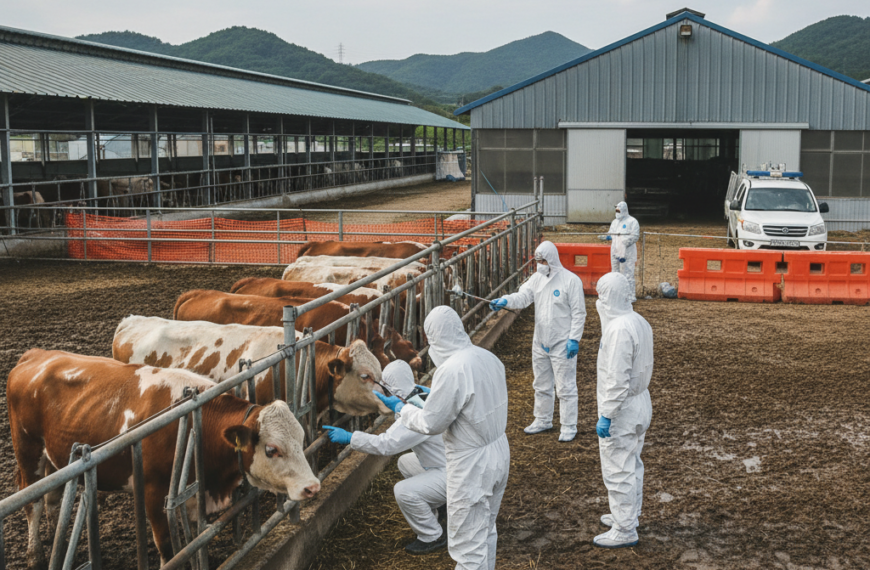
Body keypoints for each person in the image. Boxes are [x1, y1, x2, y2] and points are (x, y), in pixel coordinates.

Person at [375, 306, 509, 570]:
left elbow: (432, 423)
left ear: (434, 337)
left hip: (471, 463)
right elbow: (474, 399)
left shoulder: (451, 370)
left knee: (467, 546)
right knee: (485, 530)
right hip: (498, 451)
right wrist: (433, 393)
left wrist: (403, 409)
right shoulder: (486, 356)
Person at [323, 360, 448, 555]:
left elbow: (386, 444)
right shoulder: (420, 395)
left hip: (454, 474)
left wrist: (350, 437)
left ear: (391, 388)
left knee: (403, 491)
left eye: (385, 386)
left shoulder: (414, 414)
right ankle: (442, 506)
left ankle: (432, 535)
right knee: (405, 462)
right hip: (448, 461)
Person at [489, 240, 586, 442]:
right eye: (537, 261)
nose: (539, 264)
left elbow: (579, 313)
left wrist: (574, 339)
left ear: (551, 259)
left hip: (562, 342)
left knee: (565, 387)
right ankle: (543, 419)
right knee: (541, 383)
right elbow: (523, 296)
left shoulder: (571, 281)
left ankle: (568, 425)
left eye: (542, 260)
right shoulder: (536, 279)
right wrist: (506, 300)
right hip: (541, 340)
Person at [593, 272, 653, 548]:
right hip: (640, 401)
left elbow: (617, 378)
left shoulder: (618, 331)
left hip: (622, 409)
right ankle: (629, 515)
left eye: (602, 294)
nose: (598, 300)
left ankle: (625, 528)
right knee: (632, 463)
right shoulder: (637, 321)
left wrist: (606, 414)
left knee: (618, 468)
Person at [599, 201, 640, 303]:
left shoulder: (632, 221)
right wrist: (606, 237)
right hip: (615, 251)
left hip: (628, 253)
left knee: (628, 274)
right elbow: (611, 234)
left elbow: (635, 236)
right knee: (615, 273)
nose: (617, 212)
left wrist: (624, 243)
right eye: (616, 210)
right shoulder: (614, 222)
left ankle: (630, 296)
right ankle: (616, 295)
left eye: (619, 210)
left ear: (624, 210)